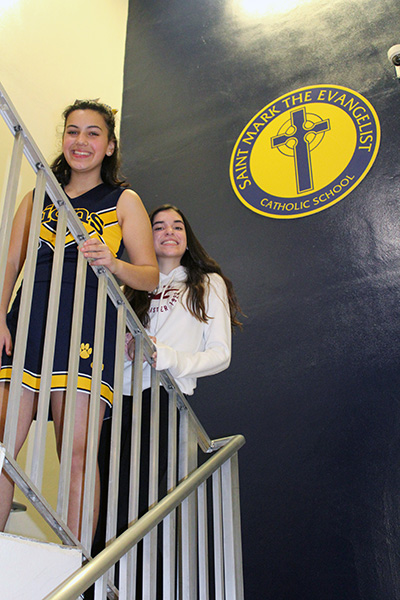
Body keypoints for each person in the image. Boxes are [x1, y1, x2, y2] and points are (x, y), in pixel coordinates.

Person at [0, 99, 159, 541]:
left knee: (77, 453)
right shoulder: (37, 195)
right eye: (73, 131)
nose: (81, 141)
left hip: (88, 330)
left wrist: (114, 262)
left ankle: (74, 568)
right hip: (28, 324)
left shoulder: (123, 200)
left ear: (109, 146)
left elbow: (148, 275)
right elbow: (9, 264)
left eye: (93, 133)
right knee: (3, 447)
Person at [94, 203, 242, 579]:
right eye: (158, 227)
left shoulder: (207, 283)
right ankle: (92, 576)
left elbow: (221, 355)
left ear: (187, 235)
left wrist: (167, 356)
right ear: (147, 236)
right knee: (100, 497)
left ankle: (119, 581)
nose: (169, 232)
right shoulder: (132, 285)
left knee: (135, 500)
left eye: (177, 226)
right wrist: (127, 345)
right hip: (115, 401)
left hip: (162, 398)